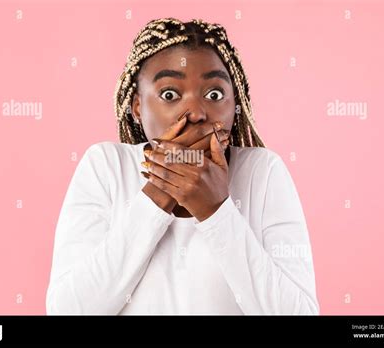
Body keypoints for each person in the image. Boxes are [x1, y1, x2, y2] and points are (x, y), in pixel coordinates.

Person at [46, 18, 320, 315]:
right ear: (137, 107)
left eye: (214, 94)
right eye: (169, 94)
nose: (196, 113)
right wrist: (160, 190)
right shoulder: (105, 167)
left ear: (234, 103)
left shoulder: (263, 173)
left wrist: (216, 211)